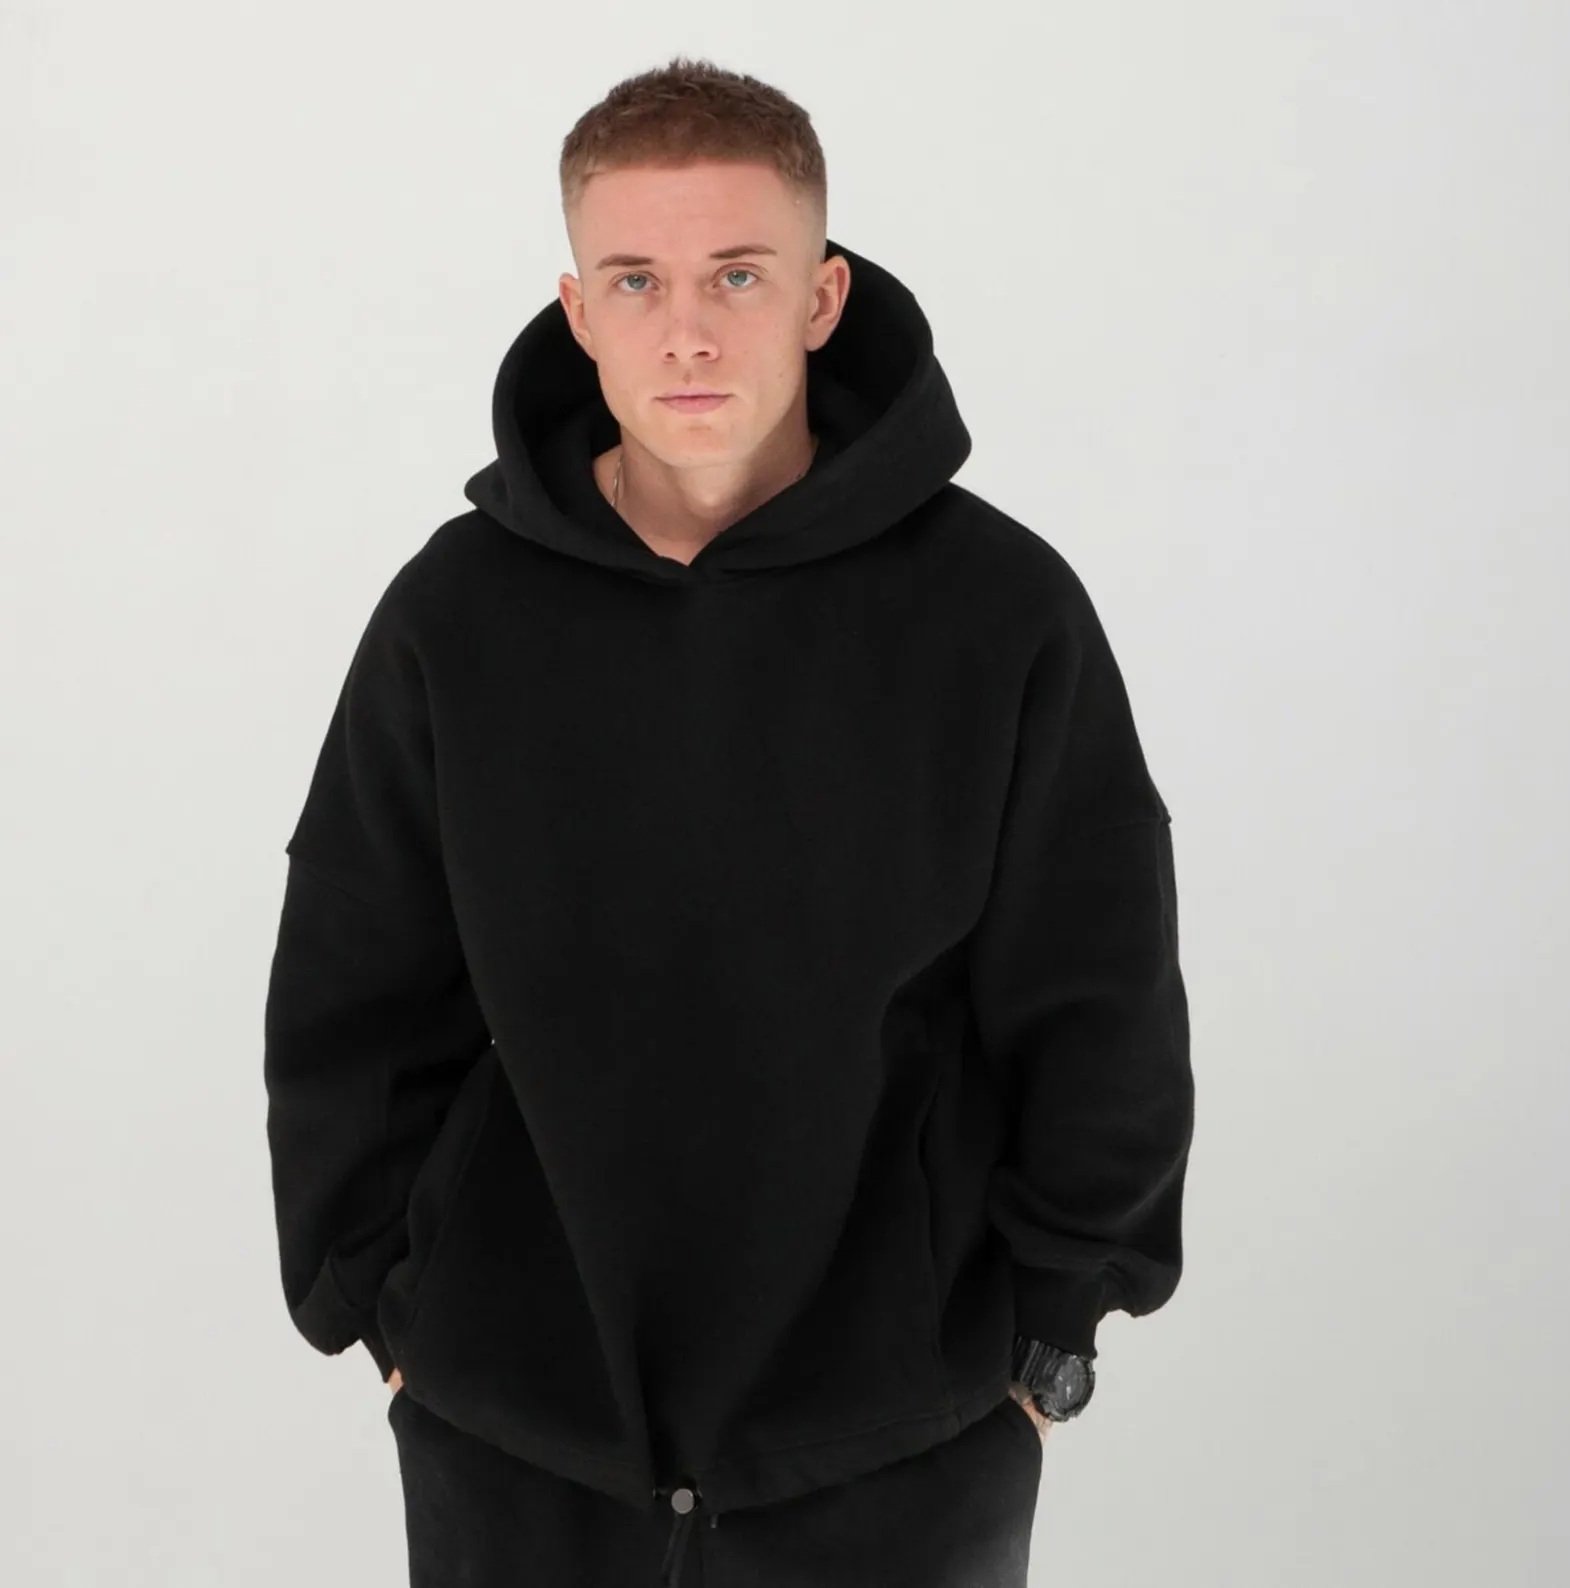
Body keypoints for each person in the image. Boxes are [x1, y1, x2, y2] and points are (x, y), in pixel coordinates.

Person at [262, 54, 1195, 1588]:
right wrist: (386, 1315)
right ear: (577, 310)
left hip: (904, 1443)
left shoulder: (998, 611)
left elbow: (1097, 996)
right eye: (636, 280)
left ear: (822, 298)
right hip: (517, 1439)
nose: (686, 330)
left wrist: (1053, 1335)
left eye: (737, 275)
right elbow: (353, 992)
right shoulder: (456, 617)